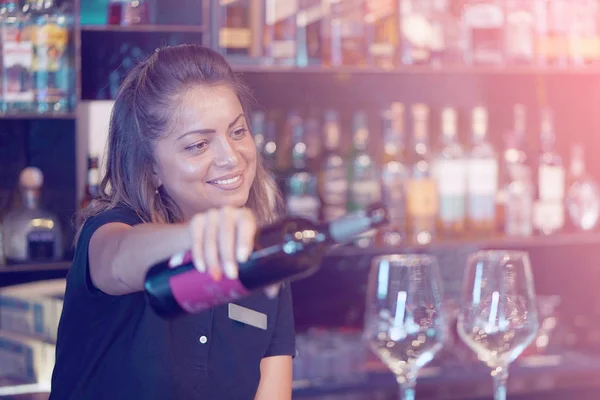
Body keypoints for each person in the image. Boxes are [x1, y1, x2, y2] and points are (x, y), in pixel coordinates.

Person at [49, 44, 295, 400]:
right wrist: (200, 236)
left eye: (237, 132)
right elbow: (120, 260)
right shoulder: (108, 233)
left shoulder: (266, 261)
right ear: (150, 168)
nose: (231, 157)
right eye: (198, 145)